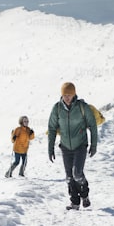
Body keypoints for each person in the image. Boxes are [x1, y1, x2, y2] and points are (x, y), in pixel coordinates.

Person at [47, 81, 98, 209]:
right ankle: (75, 202)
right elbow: (52, 128)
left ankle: (85, 195)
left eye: (69, 94)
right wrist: (50, 148)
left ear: (74, 94)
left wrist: (93, 145)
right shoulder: (57, 108)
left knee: (77, 174)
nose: (67, 97)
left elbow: (92, 125)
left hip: (80, 145)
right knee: (69, 178)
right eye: (65, 94)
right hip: (65, 147)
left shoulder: (82, 107)